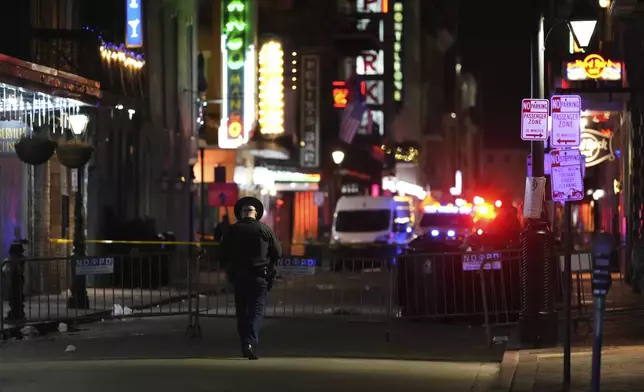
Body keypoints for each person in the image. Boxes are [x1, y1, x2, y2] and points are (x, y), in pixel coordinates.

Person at [219, 197, 281, 360]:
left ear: (240, 213)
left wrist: (228, 269)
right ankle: (250, 343)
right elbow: (277, 252)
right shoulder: (265, 230)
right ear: (256, 214)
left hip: (239, 276)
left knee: (241, 312)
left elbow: (222, 254)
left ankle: (244, 343)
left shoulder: (232, 230)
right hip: (259, 276)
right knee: (256, 311)